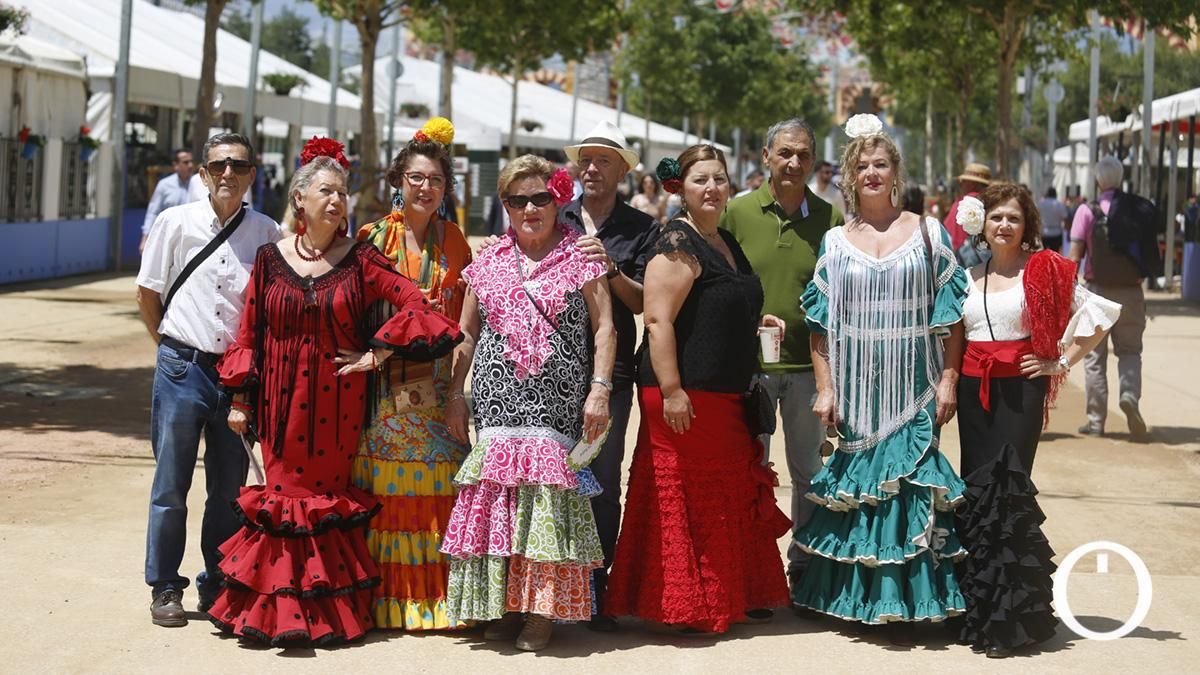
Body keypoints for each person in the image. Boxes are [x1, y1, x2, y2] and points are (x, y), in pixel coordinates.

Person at [205, 137, 462, 646]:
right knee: (281, 501)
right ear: (299, 199)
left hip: (337, 408)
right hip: (278, 406)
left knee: (322, 503)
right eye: (326, 191)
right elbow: (249, 334)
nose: (336, 201)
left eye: (342, 193)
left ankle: (322, 617)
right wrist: (240, 401)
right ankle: (272, 615)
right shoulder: (270, 257)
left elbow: (419, 307)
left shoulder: (361, 257)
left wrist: (379, 352)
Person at [793, 114, 969, 644]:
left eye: (881, 163)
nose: (871, 172)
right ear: (849, 176)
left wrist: (949, 380)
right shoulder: (833, 240)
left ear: (895, 171)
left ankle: (915, 599)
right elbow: (819, 325)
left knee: (910, 487)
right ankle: (854, 600)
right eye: (861, 165)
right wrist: (825, 388)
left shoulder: (929, 232)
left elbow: (953, 316)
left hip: (913, 385)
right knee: (858, 491)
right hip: (855, 391)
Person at [605, 144, 791, 634]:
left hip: (724, 394)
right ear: (680, 189)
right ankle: (684, 605)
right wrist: (671, 391)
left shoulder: (723, 238)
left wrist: (755, 322)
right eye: (700, 180)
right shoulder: (676, 244)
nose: (712, 188)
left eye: (720, 179)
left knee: (726, 496)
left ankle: (727, 595)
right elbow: (658, 320)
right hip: (684, 394)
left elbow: (717, 303)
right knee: (684, 500)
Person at [441, 155, 615, 652]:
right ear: (506, 205)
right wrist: (457, 394)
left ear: (557, 199)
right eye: (518, 200)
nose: (530, 208)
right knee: (502, 502)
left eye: (540, 197)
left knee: (545, 506)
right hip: (497, 408)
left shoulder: (580, 255)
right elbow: (467, 332)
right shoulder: (489, 257)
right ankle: (507, 605)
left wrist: (599, 388)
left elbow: (605, 326)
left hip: (556, 410)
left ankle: (540, 612)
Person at [955, 182, 1119, 658]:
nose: (1004, 224)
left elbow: (1100, 315)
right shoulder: (968, 274)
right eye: (996, 217)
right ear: (982, 225)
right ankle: (977, 611)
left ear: (1027, 225)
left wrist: (1060, 361)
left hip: (1019, 393)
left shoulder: (1043, 270)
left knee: (1008, 494)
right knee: (976, 493)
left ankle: (1009, 623)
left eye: (1013, 217)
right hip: (973, 392)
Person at [135, 133, 281, 627]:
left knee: (228, 488)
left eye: (238, 166)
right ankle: (165, 587)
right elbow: (147, 295)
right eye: (218, 164)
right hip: (182, 367)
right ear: (202, 172)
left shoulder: (267, 233)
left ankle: (216, 582)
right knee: (170, 484)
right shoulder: (174, 222)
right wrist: (172, 350)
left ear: (251, 175)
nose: (228, 174)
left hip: (237, 378)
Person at [352, 118, 474, 630]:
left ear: (447, 188)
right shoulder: (371, 238)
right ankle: (385, 602)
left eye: (436, 180)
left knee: (436, 496)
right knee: (389, 493)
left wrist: (460, 392)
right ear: (398, 180)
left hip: (440, 388)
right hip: (384, 392)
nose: (426, 188)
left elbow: (469, 321)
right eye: (416, 177)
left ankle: (434, 604)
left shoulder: (456, 241)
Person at [720, 118, 843, 607]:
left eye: (804, 155)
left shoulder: (831, 220)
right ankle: (752, 572)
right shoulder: (735, 213)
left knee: (810, 474)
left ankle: (806, 572)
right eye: (785, 153)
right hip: (747, 370)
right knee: (751, 470)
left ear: (814, 162)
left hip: (810, 371)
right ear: (766, 156)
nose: (794, 163)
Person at [558, 120, 660, 631]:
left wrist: (612, 270)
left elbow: (645, 303)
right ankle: (550, 586)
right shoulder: (554, 216)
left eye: (604, 160)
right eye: (587, 159)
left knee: (600, 480)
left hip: (613, 377)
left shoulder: (642, 228)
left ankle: (597, 586)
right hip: (549, 375)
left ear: (622, 170)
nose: (592, 168)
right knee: (548, 480)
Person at [1069, 156, 1153, 439]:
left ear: (1097, 180)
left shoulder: (1086, 210)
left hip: (1098, 291)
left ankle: (1096, 422)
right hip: (1131, 290)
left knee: (1094, 355)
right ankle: (1129, 395)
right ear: (1121, 178)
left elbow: (1075, 254)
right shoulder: (1137, 209)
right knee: (1130, 351)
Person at [139, 149, 202, 253]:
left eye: (191, 161)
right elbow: (153, 212)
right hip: (169, 238)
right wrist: (145, 238)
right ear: (175, 165)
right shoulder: (164, 185)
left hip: (193, 238)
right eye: (186, 162)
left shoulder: (200, 184)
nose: (190, 165)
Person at [944, 162, 993, 253]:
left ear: (972, 184)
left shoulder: (962, 203)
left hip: (960, 256)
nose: (961, 185)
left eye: (963, 181)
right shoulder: (992, 204)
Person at [1036, 187, 1069, 253]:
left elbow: (1036, 217)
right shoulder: (1059, 204)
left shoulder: (1040, 204)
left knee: (1043, 253)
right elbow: (1065, 218)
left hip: (1044, 232)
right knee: (1055, 254)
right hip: (1056, 232)